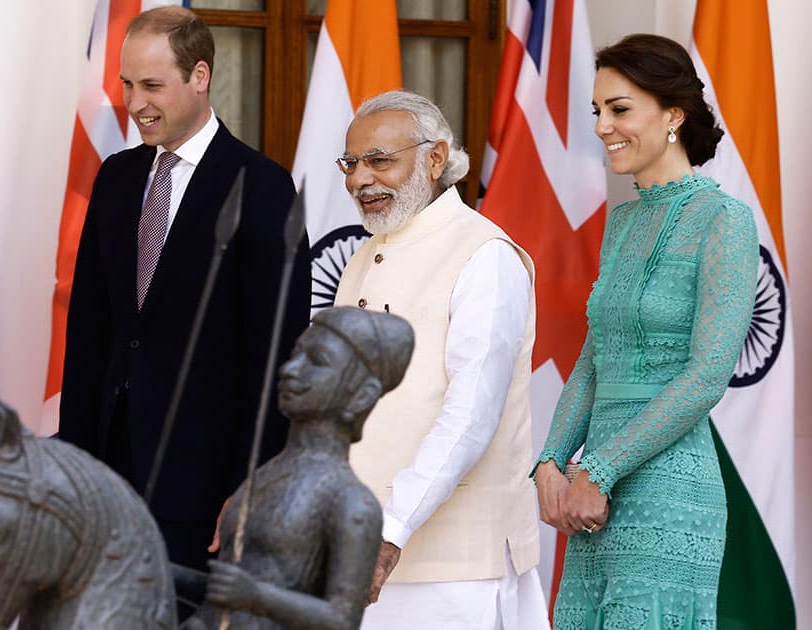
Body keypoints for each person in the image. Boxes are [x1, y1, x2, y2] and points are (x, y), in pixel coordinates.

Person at [58, 5, 311, 582]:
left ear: (200, 77)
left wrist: (254, 484)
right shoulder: (117, 177)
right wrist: (76, 465)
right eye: (127, 84)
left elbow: (279, 354)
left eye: (152, 85)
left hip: (206, 487)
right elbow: (90, 330)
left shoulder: (262, 187)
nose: (135, 102)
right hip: (108, 473)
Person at [533, 34, 759, 629]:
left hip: (667, 490)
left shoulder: (725, 220)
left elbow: (708, 375)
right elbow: (595, 356)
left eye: (620, 108)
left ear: (673, 115)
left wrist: (599, 469)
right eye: (597, 111)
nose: (603, 126)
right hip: (592, 495)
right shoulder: (624, 220)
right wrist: (552, 461)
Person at [333, 90, 549, 630]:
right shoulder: (361, 258)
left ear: (435, 159)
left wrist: (392, 528)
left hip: (452, 570)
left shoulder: (484, 255)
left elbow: (471, 415)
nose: (361, 179)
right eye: (351, 163)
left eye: (380, 160)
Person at [180, 306, 414, 629]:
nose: (291, 369)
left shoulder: (351, 501)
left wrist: (256, 596)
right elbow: (224, 592)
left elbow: (342, 619)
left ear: (361, 396)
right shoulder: (263, 476)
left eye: (316, 362)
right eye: (295, 355)